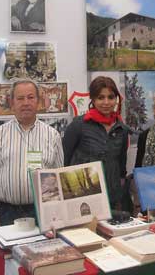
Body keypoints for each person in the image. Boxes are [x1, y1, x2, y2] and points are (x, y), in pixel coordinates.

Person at [0, 80, 63, 231]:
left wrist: (56, 213)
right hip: (6, 213)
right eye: (20, 98)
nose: (26, 103)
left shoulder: (53, 135)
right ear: (12, 103)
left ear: (38, 101)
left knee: (41, 253)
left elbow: (59, 176)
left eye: (31, 97)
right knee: (7, 254)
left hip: (41, 212)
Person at [63, 76, 131, 209]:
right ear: (93, 99)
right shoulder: (79, 125)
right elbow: (64, 160)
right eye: (101, 97)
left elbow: (121, 163)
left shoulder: (121, 129)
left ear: (116, 99)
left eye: (111, 97)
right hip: (83, 196)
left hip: (111, 198)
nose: (106, 102)